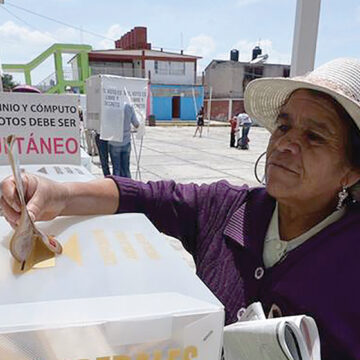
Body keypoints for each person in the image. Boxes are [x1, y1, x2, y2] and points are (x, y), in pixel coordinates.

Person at [2, 58, 360, 360]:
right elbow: (142, 196)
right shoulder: (228, 208)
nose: (285, 144)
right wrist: (58, 194)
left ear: (351, 171)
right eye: (283, 125)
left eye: (315, 136)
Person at [108, 103, 139, 178]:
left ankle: (117, 188)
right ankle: (128, 188)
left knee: (116, 169)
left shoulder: (109, 105)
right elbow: (136, 124)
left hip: (113, 141)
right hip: (126, 141)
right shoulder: (129, 106)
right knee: (126, 169)